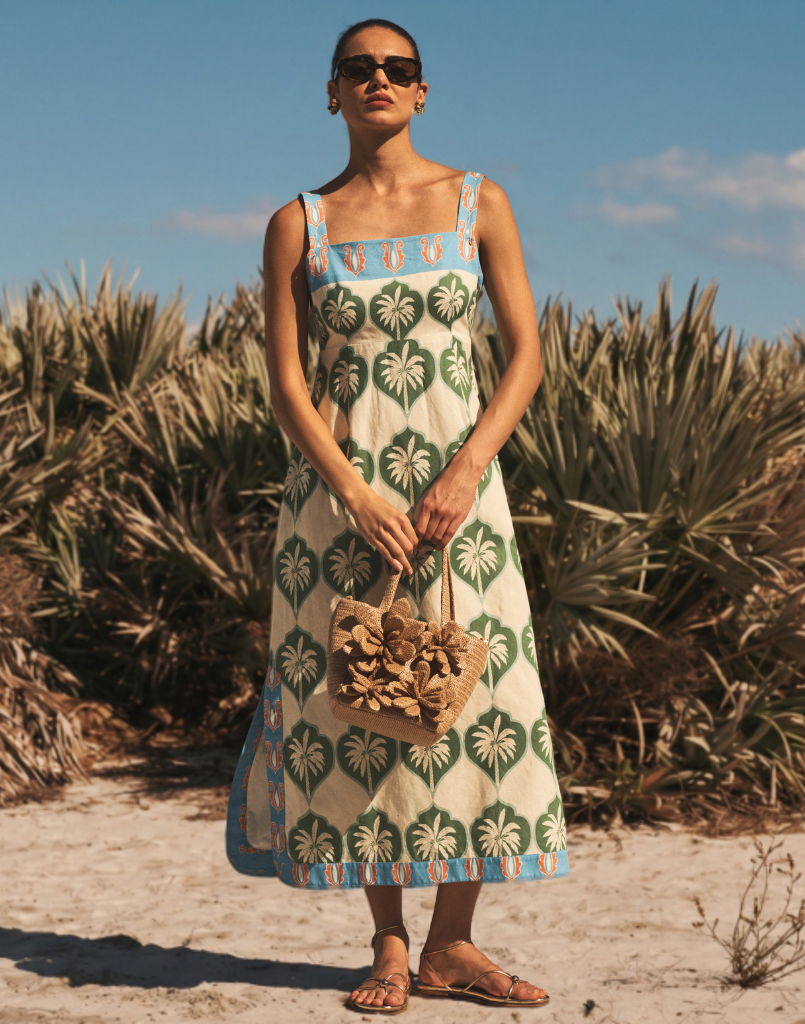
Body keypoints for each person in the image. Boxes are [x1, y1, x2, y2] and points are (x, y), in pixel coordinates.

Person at [225, 17, 569, 1014]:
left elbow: (525, 357)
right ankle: (386, 942)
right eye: (358, 67)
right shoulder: (298, 223)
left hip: (460, 502)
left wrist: (467, 468)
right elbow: (288, 386)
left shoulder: (477, 202)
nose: (378, 79)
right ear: (330, 90)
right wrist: (352, 490)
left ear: (421, 92)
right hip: (342, 505)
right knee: (362, 703)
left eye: (398, 68)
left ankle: (452, 943)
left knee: (473, 702)